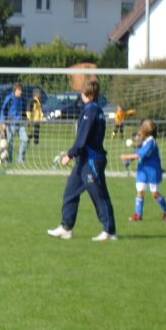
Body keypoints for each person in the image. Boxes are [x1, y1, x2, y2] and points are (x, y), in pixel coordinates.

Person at [47, 79, 117, 241]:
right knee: (70, 192)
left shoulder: (91, 111)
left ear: (85, 93)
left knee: (99, 195)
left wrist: (69, 154)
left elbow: (82, 138)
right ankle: (66, 227)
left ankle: (109, 231)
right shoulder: (95, 109)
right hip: (84, 160)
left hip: (91, 160)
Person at [120, 119, 166, 222]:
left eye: (141, 130)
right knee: (140, 191)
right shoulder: (145, 141)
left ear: (146, 131)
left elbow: (140, 154)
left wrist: (125, 156)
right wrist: (129, 159)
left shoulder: (151, 143)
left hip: (152, 171)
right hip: (142, 170)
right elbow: (139, 151)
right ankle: (138, 214)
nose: (139, 131)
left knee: (154, 194)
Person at [0, 83, 28, 163]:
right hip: (10, 123)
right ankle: (8, 159)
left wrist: (25, 120)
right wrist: (3, 122)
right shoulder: (9, 99)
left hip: (20, 123)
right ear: (15, 90)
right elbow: (3, 110)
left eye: (21, 90)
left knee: (25, 139)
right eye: (19, 90)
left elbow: (23, 111)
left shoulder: (22, 99)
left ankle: (20, 160)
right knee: (9, 143)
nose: (21, 92)